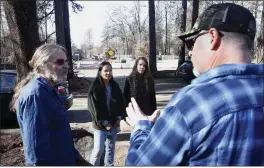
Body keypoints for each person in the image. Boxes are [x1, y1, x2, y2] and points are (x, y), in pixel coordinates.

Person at [125, 3, 264, 166]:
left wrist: (141, 128)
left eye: (191, 42)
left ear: (213, 37)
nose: (190, 52)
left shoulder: (193, 103)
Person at [10, 43, 89, 166]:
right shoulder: (36, 95)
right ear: (42, 65)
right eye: (59, 62)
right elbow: (36, 152)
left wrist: (78, 160)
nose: (66, 66)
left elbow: (60, 135)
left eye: (66, 61)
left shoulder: (50, 90)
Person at [88, 61, 126, 166]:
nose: (108, 73)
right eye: (105, 70)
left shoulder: (114, 85)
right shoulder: (94, 87)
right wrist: (104, 123)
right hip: (100, 126)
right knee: (98, 151)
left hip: (113, 124)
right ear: (100, 72)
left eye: (110, 70)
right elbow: (93, 108)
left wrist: (119, 118)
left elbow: (120, 103)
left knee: (110, 150)